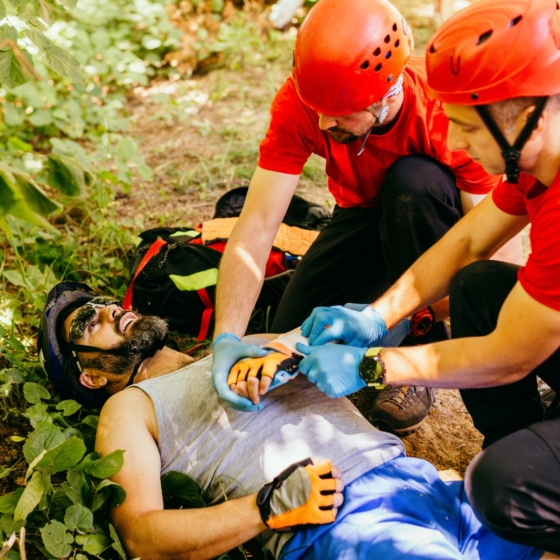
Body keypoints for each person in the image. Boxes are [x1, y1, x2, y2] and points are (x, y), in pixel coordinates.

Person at [282, 0, 560, 553]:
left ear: (525, 112)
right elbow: (466, 240)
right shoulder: (538, 166)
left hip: (525, 347)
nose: (455, 145)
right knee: (477, 285)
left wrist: (374, 363)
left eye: (465, 128)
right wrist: (376, 317)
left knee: (499, 488)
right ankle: (524, 442)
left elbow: (511, 353)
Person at [37, 281, 554, 560]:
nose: (106, 310)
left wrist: (329, 346)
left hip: (425, 485)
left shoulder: (245, 345)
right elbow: (145, 539)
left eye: (103, 302)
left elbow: (354, 352)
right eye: (87, 321)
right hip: (343, 525)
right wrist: (265, 508)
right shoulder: (128, 408)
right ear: (87, 376)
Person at [210, 0, 521, 434]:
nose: (322, 120)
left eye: (338, 110)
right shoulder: (308, 102)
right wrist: (226, 337)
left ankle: (418, 353)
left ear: (386, 92)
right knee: (286, 341)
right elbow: (257, 225)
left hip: (430, 216)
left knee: (414, 182)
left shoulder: (450, 118)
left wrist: (394, 332)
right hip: (361, 213)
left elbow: (487, 260)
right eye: (315, 106)